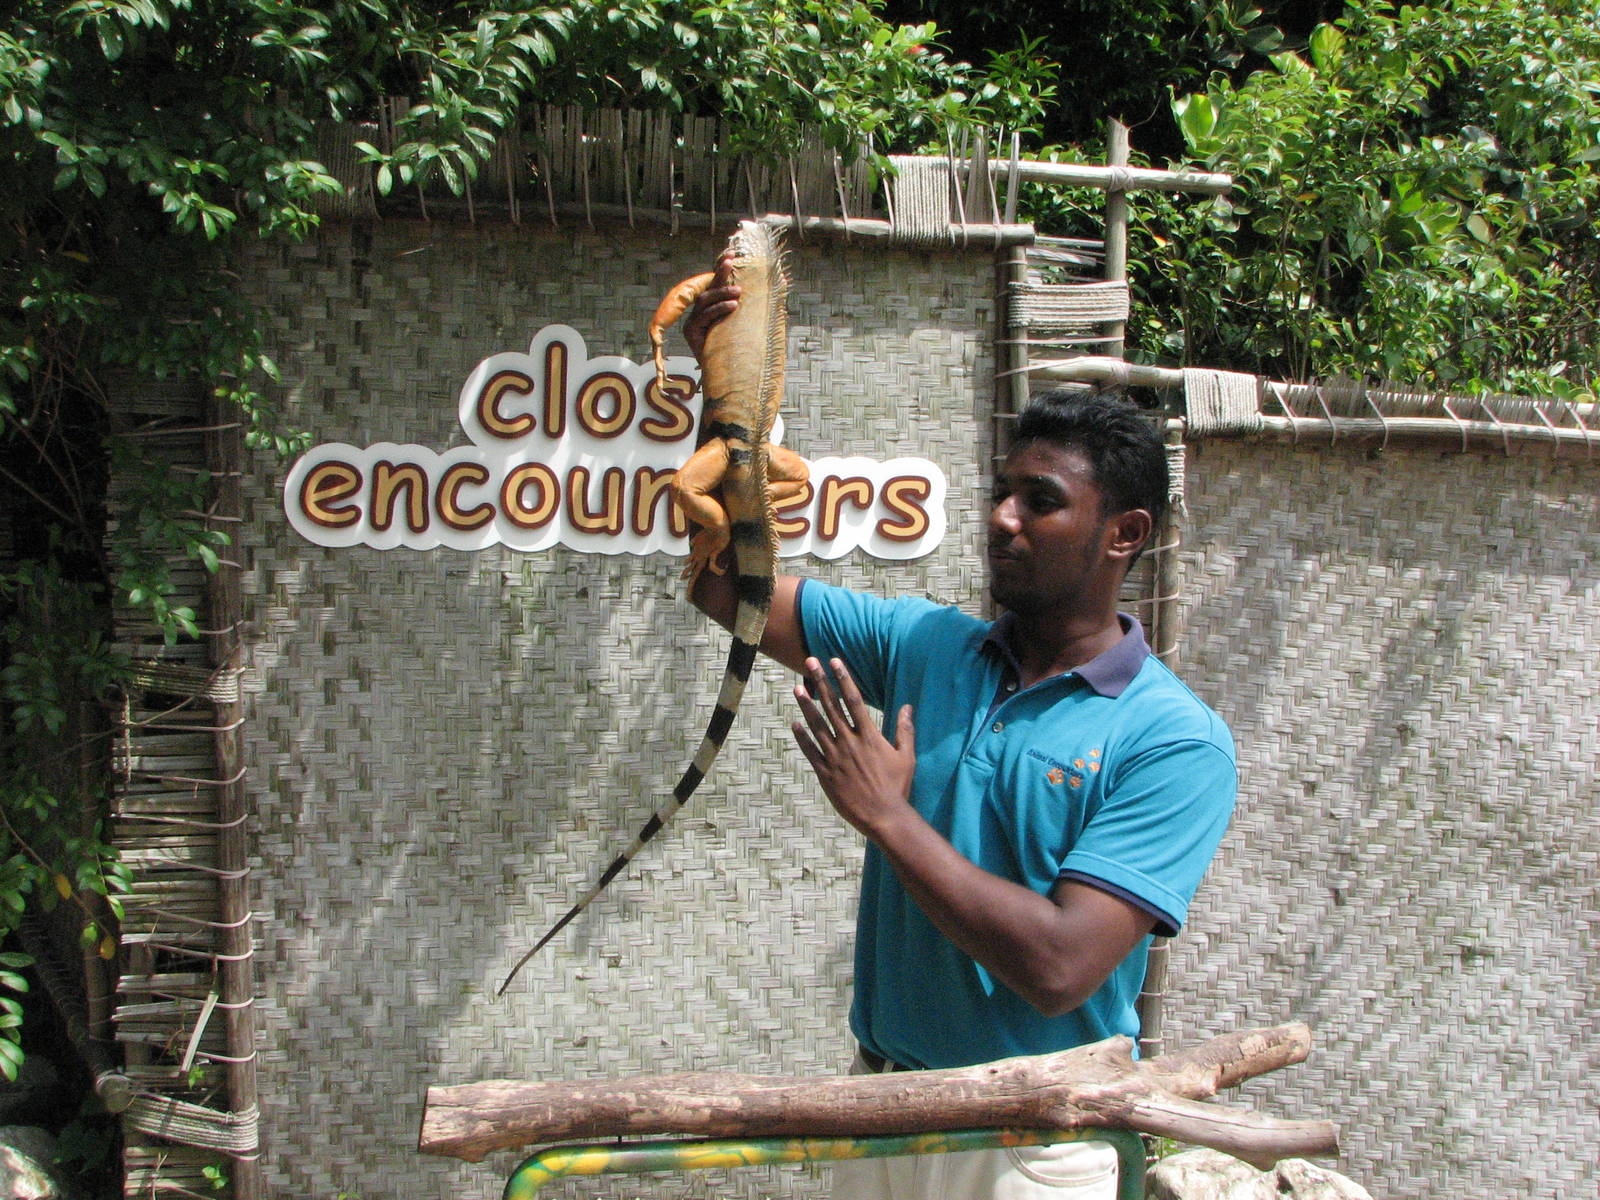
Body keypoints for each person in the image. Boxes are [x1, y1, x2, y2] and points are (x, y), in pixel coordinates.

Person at [683, 270, 1237, 1200]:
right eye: (1000, 492)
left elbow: (1060, 967)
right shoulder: (923, 645)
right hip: (884, 1111)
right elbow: (721, 590)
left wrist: (889, 819)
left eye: (1041, 501)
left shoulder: (1174, 742)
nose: (1000, 519)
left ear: (1125, 533)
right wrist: (722, 403)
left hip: (1034, 1147)